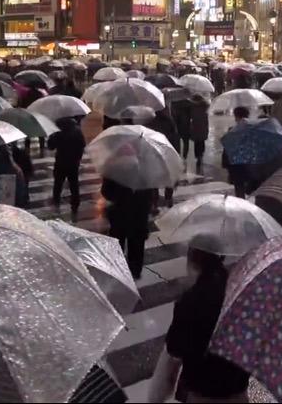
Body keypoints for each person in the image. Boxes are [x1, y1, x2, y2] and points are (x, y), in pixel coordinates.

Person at [148, 234, 250, 403]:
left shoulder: (191, 300)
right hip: (237, 391)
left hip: (203, 392)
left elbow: (175, 349)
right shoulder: (239, 291)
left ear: (194, 260)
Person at [102, 176, 151, 278]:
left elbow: (106, 192)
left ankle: (118, 272)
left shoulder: (115, 167)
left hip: (119, 214)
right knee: (137, 247)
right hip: (139, 215)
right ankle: (135, 272)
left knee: (117, 245)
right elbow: (151, 194)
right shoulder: (146, 168)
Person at [48, 117, 86, 215]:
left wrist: (52, 135)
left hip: (61, 162)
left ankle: (56, 202)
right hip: (73, 163)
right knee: (74, 184)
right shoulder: (77, 130)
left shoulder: (59, 132)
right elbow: (82, 145)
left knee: (58, 184)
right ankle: (75, 203)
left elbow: (50, 146)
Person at [222, 107, 253, 198]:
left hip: (236, 165)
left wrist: (226, 164)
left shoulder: (232, 130)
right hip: (249, 163)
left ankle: (243, 203)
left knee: (239, 188)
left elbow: (227, 148)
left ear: (237, 117)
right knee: (249, 186)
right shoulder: (251, 129)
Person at [187, 94, 210, 173]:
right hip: (203, 128)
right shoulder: (205, 107)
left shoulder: (192, 107)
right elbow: (206, 121)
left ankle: (198, 156)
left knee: (197, 143)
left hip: (196, 128)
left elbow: (190, 118)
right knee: (201, 142)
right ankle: (201, 155)